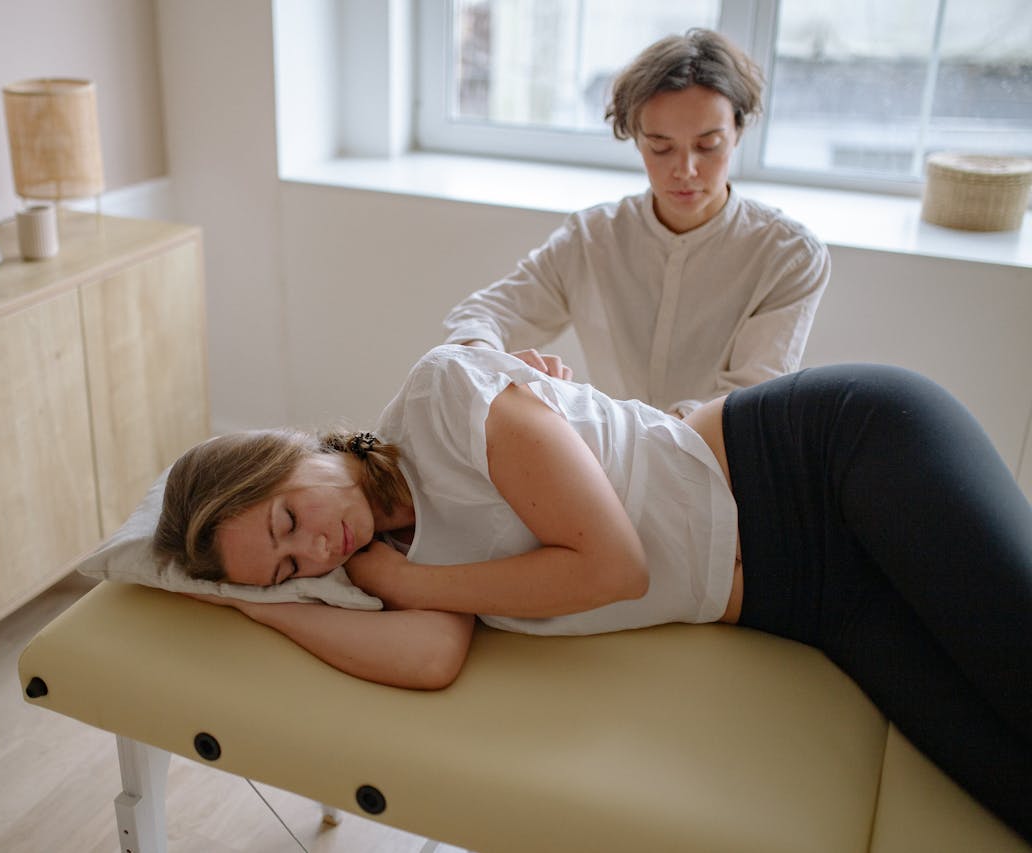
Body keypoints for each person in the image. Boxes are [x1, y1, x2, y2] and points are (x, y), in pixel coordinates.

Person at [154, 344, 1032, 841]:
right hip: (813, 602)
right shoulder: (371, 557)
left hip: (831, 459)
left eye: (285, 521)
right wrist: (251, 601)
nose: (314, 549)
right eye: (287, 568)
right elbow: (429, 658)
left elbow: (615, 565)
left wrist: (411, 579)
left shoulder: (443, 400)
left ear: (289, 451)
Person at [442, 29, 831, 417]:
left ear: (738, 132)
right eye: (661, 147)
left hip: (718, 464)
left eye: (708, 145)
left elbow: (744, 402)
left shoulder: (789, 256)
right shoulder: (592, 238)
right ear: (635, 138)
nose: (685, 169)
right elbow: (483, 315)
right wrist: (491, 362)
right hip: (607, 455)